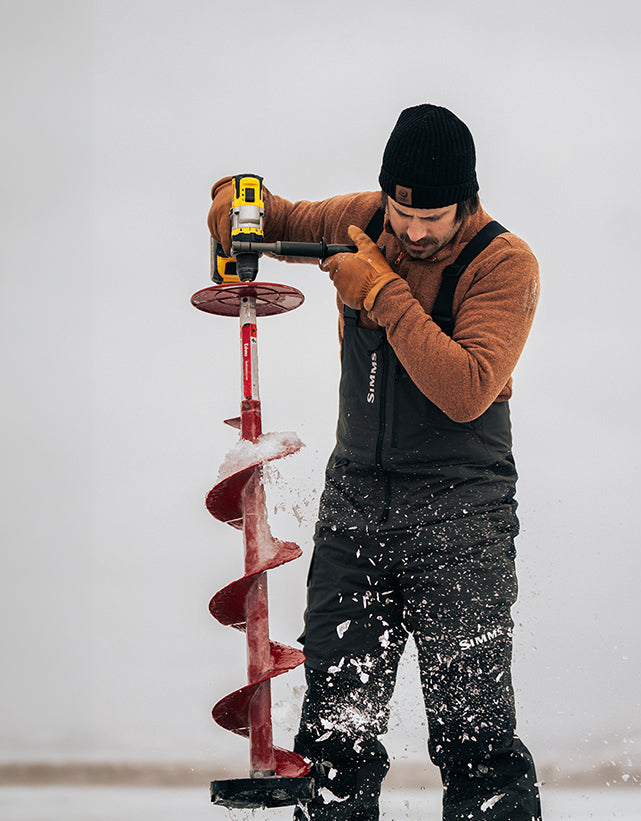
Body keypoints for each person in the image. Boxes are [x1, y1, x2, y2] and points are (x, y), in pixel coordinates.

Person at [207, 104, 542, 821]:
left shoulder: (505, 265)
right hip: (357, 507)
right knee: (336, 737)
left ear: (468, 200)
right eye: (401, 212)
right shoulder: (368, 221)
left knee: (475, 740)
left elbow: (465, 389)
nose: (414, 231)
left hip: (463, 518)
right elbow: (279, 217)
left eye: (434, 219)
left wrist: (383, 293)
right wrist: (237, 207)